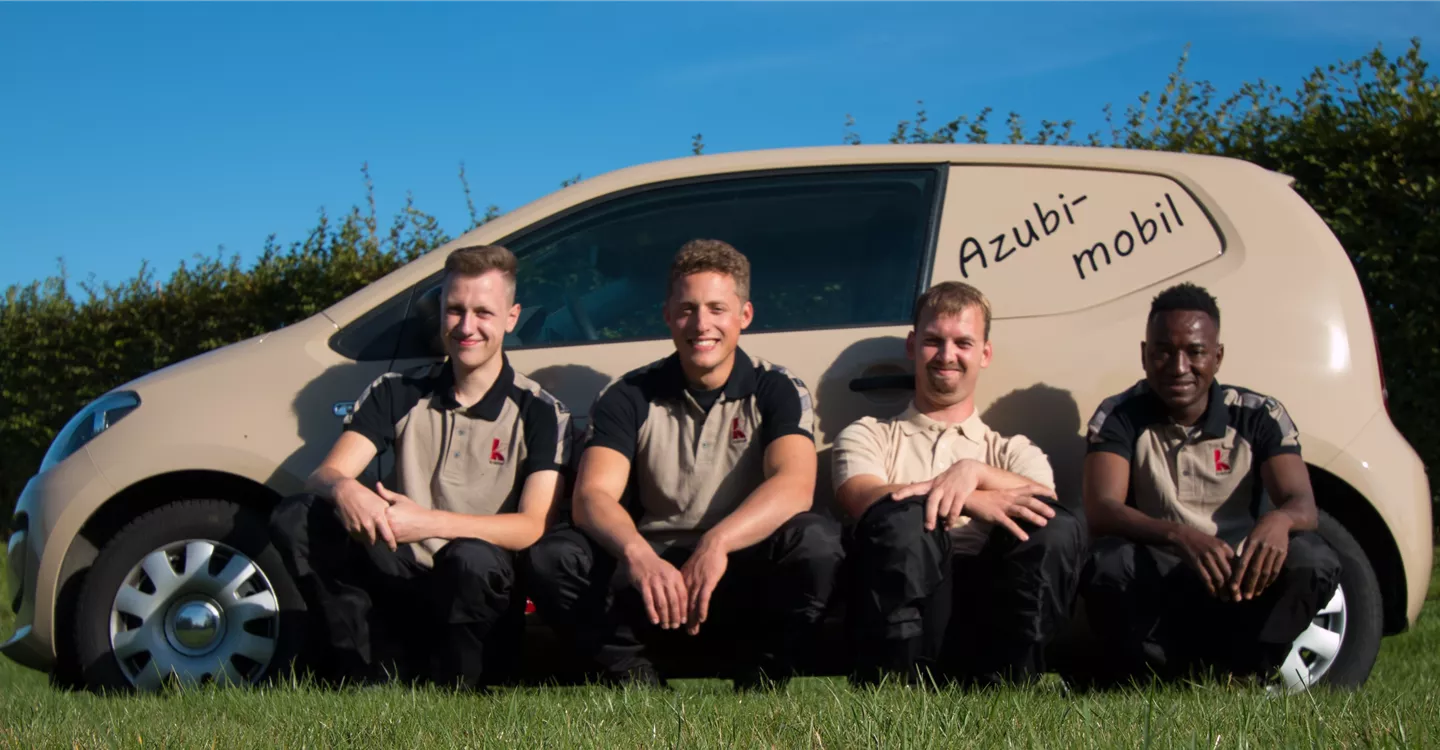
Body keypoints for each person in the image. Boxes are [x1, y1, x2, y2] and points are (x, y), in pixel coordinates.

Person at [527, 239, 843, 688]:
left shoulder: (776, 387)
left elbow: (794, 485)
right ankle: (634, 679)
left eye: (717, 308)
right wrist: (637, 554)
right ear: (667, 315)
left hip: (737, 567)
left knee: (817, 540)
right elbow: (592, 496)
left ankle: (764, 677)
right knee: (554, 556)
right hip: (649, 572)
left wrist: (717, 543)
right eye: (687, 308)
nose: (701, 324)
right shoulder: (627, 394)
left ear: (744, 316)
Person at [268, 245, 570, 689]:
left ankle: (465, 684)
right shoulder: (396, 390)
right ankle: (370, 669)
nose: (466, 327)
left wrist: (427, 523)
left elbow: (531, 526)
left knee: (471, 557)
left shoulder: (541, 411)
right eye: (455, 310)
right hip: (399, 573)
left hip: (476, 586)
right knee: (298, 516)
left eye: (483, 312)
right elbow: (326, 474)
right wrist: (346, 490)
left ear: (511, 317)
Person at [1079, 282, 1341, 685]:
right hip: (1163, 576)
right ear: (1145, 355)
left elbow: (1302, 503)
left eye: (1195, 352)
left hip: (1241, 580)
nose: (1178, 366)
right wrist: (1180, 535)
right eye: (1163, 351)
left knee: (1314, 559)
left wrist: (1279, 522)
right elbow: (1102, 509)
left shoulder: (1259, 415)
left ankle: (1248, 672)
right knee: (1108, 562)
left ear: (1217, 357)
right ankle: (1158, 674)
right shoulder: (1119, 415)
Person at [834, 281, 1087, 686]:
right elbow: (861, 497)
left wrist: (976, 472)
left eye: (963, 343)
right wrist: (969, 500)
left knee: (1053, 525)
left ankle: (1012, 686)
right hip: (906, 616)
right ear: (912, 346)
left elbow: (1048, 510)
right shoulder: (868, 435)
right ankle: (900, 687)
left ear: (984, 353)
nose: (947, 356)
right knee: (902, 518)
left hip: (993, 610)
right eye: (934, 341)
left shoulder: (1012, 450)